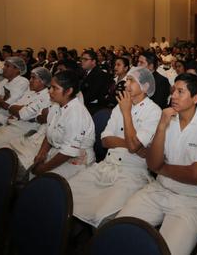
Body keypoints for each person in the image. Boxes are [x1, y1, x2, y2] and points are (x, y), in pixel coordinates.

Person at [117, 73, 197, 255]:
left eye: (180, 92)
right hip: (160, 189)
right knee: (119, 229)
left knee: (168, 251)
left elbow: (195, 176)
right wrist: (161, 126)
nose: (173, 95)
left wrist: (161, 168)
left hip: (192, 200)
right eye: (174, 90)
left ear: (196, 99)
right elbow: (152, 163)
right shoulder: (167, 119)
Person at [69, 67, 161, 228]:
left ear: (145, 87)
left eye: (131, 80)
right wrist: (132, 144)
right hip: (106, 165)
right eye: (127, 79)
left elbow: (133, 146)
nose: (126, 83)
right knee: (67, 193)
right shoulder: (120, 106)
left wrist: (126, 113)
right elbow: (105, 140)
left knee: (101, 215)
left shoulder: (153, 111)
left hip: (131, 173)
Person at [0, 67, 51, 163]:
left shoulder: (46, 97)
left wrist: (18, 110)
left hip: (22, 129)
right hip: (11, 124)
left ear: (43, 81)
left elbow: (22, 114)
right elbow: (13, 107)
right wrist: (19, 109)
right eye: (30, 77)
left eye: (33, 78)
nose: (30, 80)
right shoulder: (30, 91)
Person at [31, 70, 95, 180]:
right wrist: (41, 154)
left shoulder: (76, 113)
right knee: (32, 169)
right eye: (50, 87)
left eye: (55, 88)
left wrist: (44, 168)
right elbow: (49, 132)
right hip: (58, 151)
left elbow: (68, 151)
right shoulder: (56, 105)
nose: (50, 91)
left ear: (69, 91)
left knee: (45, 181)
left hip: (77, 159)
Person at [80, 50, 111, 115]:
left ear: (93, 61)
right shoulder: (84, 72)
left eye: (85, 59)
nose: (82, 61)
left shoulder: (99, 74)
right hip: (84, 103)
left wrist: (76, 100)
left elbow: (92, 95)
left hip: (93, 107)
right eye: (82, 59)